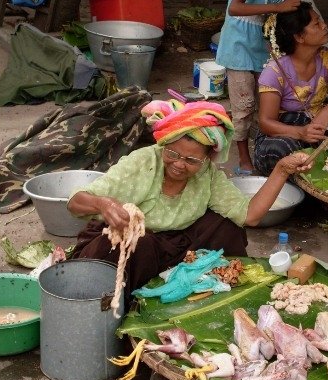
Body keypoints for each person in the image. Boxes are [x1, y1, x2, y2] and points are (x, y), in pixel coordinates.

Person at [68, 99, 312, 303]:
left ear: (207, 160)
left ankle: (211, 289)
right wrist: (104, 204)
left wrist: (281, 170)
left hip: (177, 243)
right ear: (163, 144)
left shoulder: (208, 175)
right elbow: (76, 202)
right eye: (172, 154)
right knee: (127, 247)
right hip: (137, 245)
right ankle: (125, 305)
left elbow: (250, 215)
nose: (179, 164)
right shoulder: (141, 163)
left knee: (226, 227)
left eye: (191, 160)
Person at [215, 0, 319, 175]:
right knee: (243, 106)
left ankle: (264, 145)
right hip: (238, 49)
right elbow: (235, 7)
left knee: (271, 100)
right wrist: (277, 8)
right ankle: (243, 158)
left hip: (263, 48)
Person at [254, 3, 328, 177]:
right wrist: (300, 133)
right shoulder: (274, 71)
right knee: (285, 149)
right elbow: (266, 122)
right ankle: (308, 190)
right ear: (299, 37)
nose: (324, 26)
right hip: (285, 132)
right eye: (316, 24)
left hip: (316, 126)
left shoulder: (327, 58)